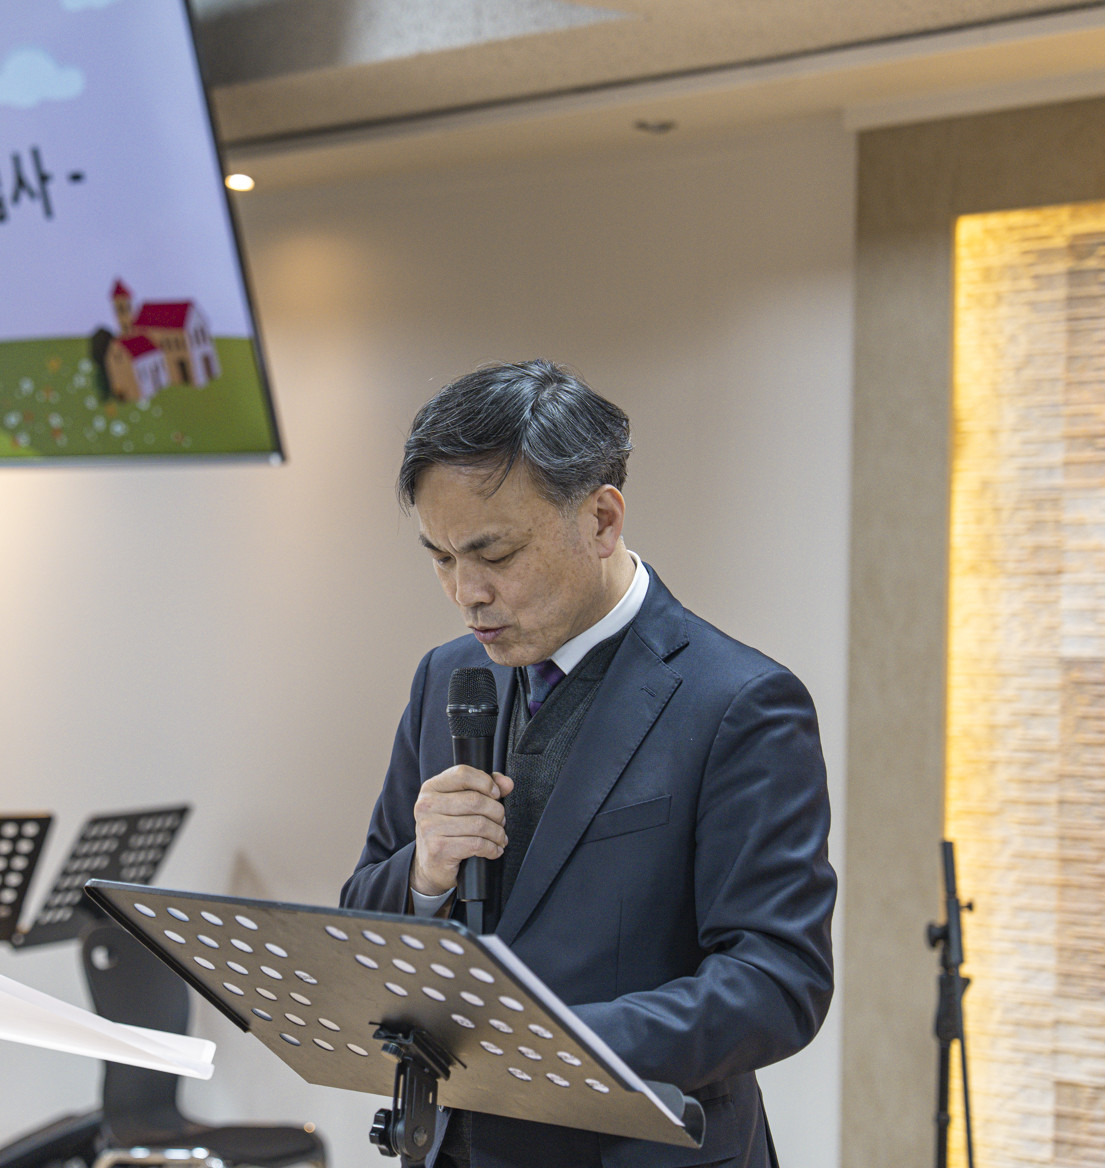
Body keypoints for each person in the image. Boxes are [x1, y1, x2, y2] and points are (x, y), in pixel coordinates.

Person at [341, 360, 836, 1168]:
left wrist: (550, 1045)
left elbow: (777, 982)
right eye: (441, 558)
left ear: (602, 520)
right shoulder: (444, 677)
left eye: (495, 553)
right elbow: (363, 914)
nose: (467, 593)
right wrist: (424, 873)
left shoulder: (741, 702)